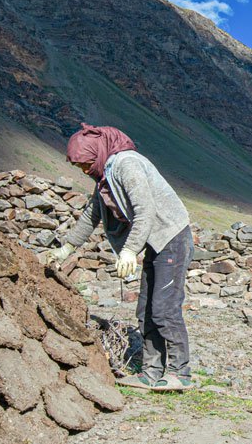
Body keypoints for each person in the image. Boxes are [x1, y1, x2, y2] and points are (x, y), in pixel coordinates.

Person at [47, 124, 195, 392]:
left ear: (98, 152)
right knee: (145, 310)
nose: (84, 170)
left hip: (172, 238)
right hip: (154, 243)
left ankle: (179, 372)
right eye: (79, 166)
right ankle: (150, 373)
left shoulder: (127, 165)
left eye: (86, 163)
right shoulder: (106, 175)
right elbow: (92, 214)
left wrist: (129, 250)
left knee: (164, 308)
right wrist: (66, 248)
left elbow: (145, 210)